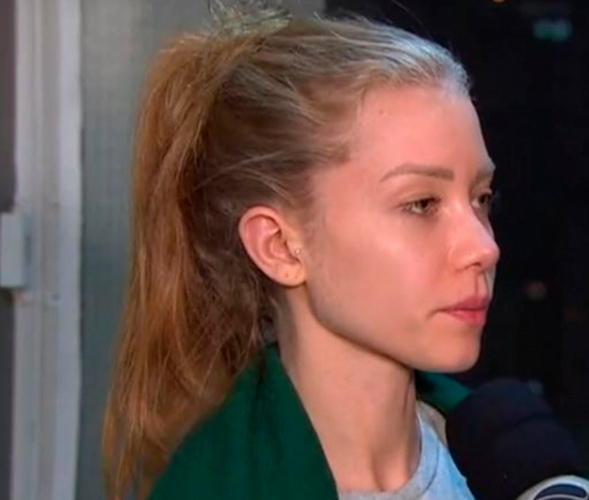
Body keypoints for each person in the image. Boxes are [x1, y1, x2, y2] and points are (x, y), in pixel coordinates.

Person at [102, 3, 500, 500]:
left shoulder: (510, 462)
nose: (484, 247)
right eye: (421, 204)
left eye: (481, 198)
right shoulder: (214, 487)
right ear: (280, 247)